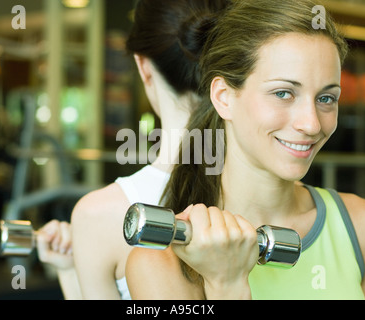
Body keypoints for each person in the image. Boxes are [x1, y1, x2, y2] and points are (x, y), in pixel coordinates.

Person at [126, 0, 365, 300]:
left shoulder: (363, 226)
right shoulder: (161, 264)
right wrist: (227, 283)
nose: (311, 124)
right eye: (283, 93)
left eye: (327, 98)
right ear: (224, 97)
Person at [52, 0, 229, 299]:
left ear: (143, 66)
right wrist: (71, 269)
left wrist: (70, 272)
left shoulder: (99, 215)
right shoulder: (279, 196)